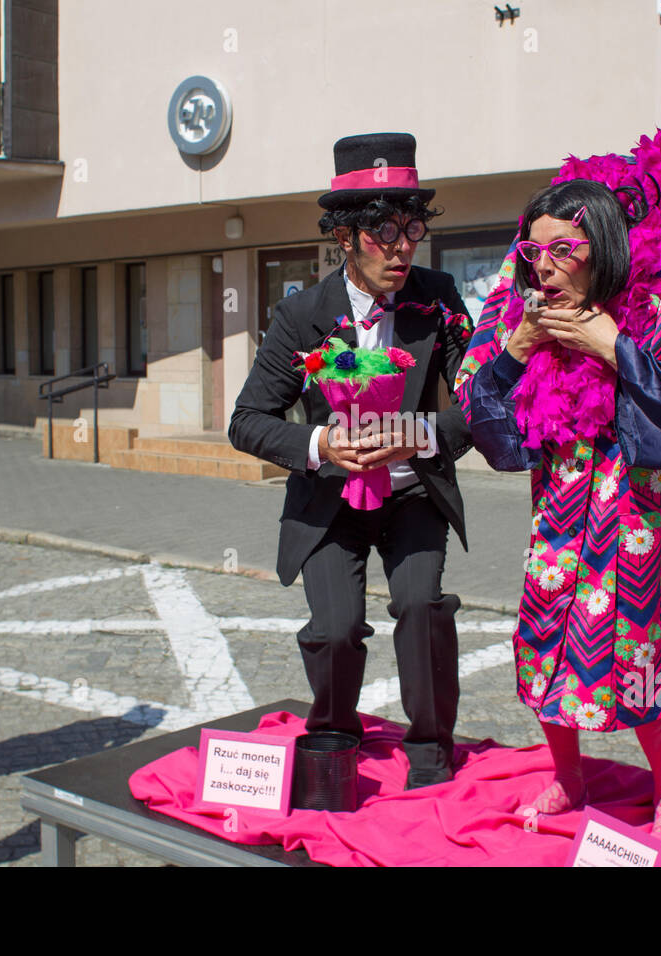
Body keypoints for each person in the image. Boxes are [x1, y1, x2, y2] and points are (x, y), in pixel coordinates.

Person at [455, 129, 661, 863]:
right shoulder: (527, 309)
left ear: (605, 249)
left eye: (564, 250)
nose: (544, 268)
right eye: (533, 251)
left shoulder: (650, 308)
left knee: (640, 642)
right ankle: (566, 776)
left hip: (642, 501)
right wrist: (519, 349)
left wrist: (612, 348)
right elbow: (479, 404)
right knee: (545, 632)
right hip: (562, 492)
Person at [229, 133, 475, 788]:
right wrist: (320, 445)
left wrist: (419, 434)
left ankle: (429, 754)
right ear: (344, 237)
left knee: (422, 606)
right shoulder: (301, 315)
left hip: (412, 493)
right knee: (337, 628)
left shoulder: (441, 297)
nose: (402, 247)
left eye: (411, 227)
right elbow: (246, 421)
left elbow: (479, 408)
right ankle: (334, 742)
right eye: (383, 231)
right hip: (332, 500)